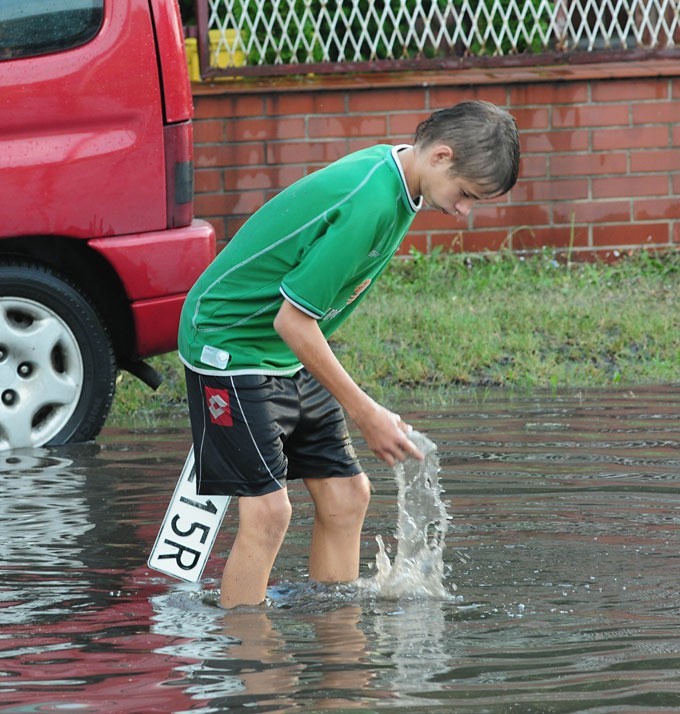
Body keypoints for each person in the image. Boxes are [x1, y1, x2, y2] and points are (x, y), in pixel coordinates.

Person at [178, 99, 520, 608]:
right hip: (229, 343)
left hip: (278, 348)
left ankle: (336, 655)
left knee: (346, 496)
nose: (464, 212)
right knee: (270, 514)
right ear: (441, 157)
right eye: (467, 195)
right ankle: (254, 668)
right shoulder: (373, 201)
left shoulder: (404, 181)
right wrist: (367, 413)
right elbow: (292, 320)